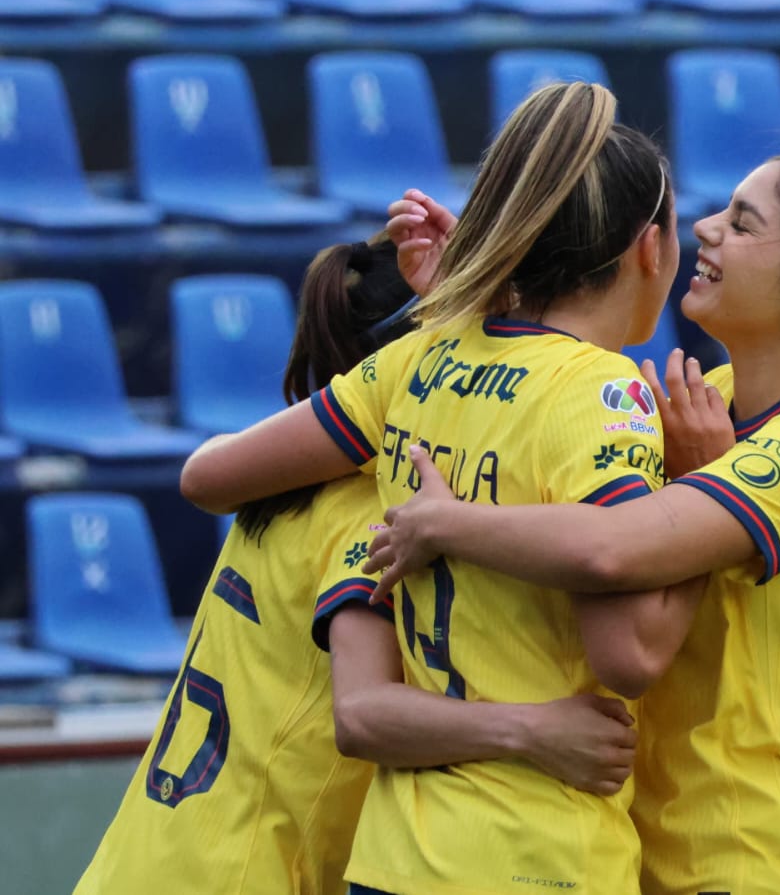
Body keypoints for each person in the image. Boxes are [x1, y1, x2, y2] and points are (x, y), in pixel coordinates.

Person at [359, 151, 780, 895]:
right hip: (666, 853)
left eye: (741, 222)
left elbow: (610, 548)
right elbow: (544, 403)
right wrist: (486, 285)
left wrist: (443, 522)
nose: (704, 230)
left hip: (760, 857)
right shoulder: (714, 398)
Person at [180, 82, 692, 895]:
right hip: (537, 856)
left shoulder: (418, 358)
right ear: (647, 248)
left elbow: (208, 476)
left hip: (397, 857)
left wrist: (464, 308)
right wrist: (697, 497)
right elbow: (628, 654)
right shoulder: (605, 393)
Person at [75, 234, 635, 895]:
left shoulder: (281, 493)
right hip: (243, 875)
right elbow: (363, 713)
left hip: (140, 866)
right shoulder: (372, 510)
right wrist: (533, 728)